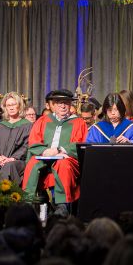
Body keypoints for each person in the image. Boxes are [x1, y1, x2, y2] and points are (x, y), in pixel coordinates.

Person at [22, 89, 87, 217]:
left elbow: (80, 144)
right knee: (33, 164)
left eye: (66, 103)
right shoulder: (42, 121)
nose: (62, 106)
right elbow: (34, 141)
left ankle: (62, 205)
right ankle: (28, 203)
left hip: (66, 157)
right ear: (53, 105)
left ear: (70, 105)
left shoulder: (79, 123)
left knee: (62, 164)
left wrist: (59, 150)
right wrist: (45, 151)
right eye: (59, 103)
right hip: (44, 155)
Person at [0, 92, 31, 184]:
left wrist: (13, 158)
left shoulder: (27, 126)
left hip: (19, 161)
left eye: (14, 104)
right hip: (2, 159)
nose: (11, 107)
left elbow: (26, 146)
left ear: (19, 106)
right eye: (8, 105)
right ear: (5, 108)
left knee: (9, 165)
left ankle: (4, 195)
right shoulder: (0, 126)